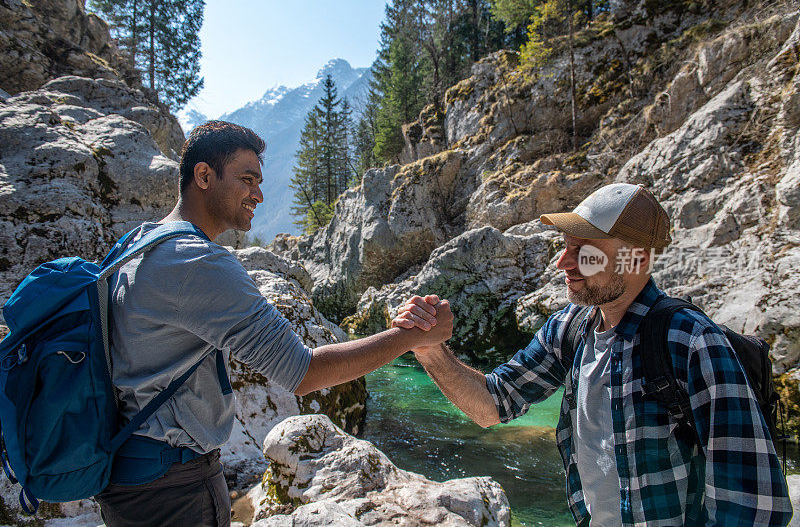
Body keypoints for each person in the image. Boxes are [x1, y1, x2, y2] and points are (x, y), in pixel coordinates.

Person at [95, 120, 453, 527]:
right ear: (204, 175)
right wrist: (410, 336)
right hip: (173, 485)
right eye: (247, 179)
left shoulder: (139, 241)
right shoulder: (198, 262)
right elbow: (304, 372)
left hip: (128, 473)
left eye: (260, 182)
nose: (259, 194)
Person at [393, 183, 792, 526]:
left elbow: (755, 506)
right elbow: (491, 405)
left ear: (636, 257)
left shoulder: (692, 341)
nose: (563, 263)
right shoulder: (572, 326)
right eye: (567, 247)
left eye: (585, 252)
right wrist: (430, 351)